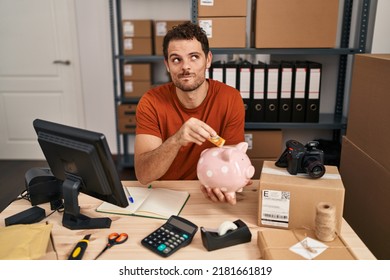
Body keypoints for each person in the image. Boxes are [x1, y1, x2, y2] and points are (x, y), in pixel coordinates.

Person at [134, 22, 246, 205]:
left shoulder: (230, 98)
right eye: (176, 59)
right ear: (167, 65)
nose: (186, 67)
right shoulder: (150, 102)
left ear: (208, 60)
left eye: (194, 57)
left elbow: (233, 160)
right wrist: (177, 139)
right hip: (163, 195)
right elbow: (144, 176)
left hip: (208, 192)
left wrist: (231, 182)